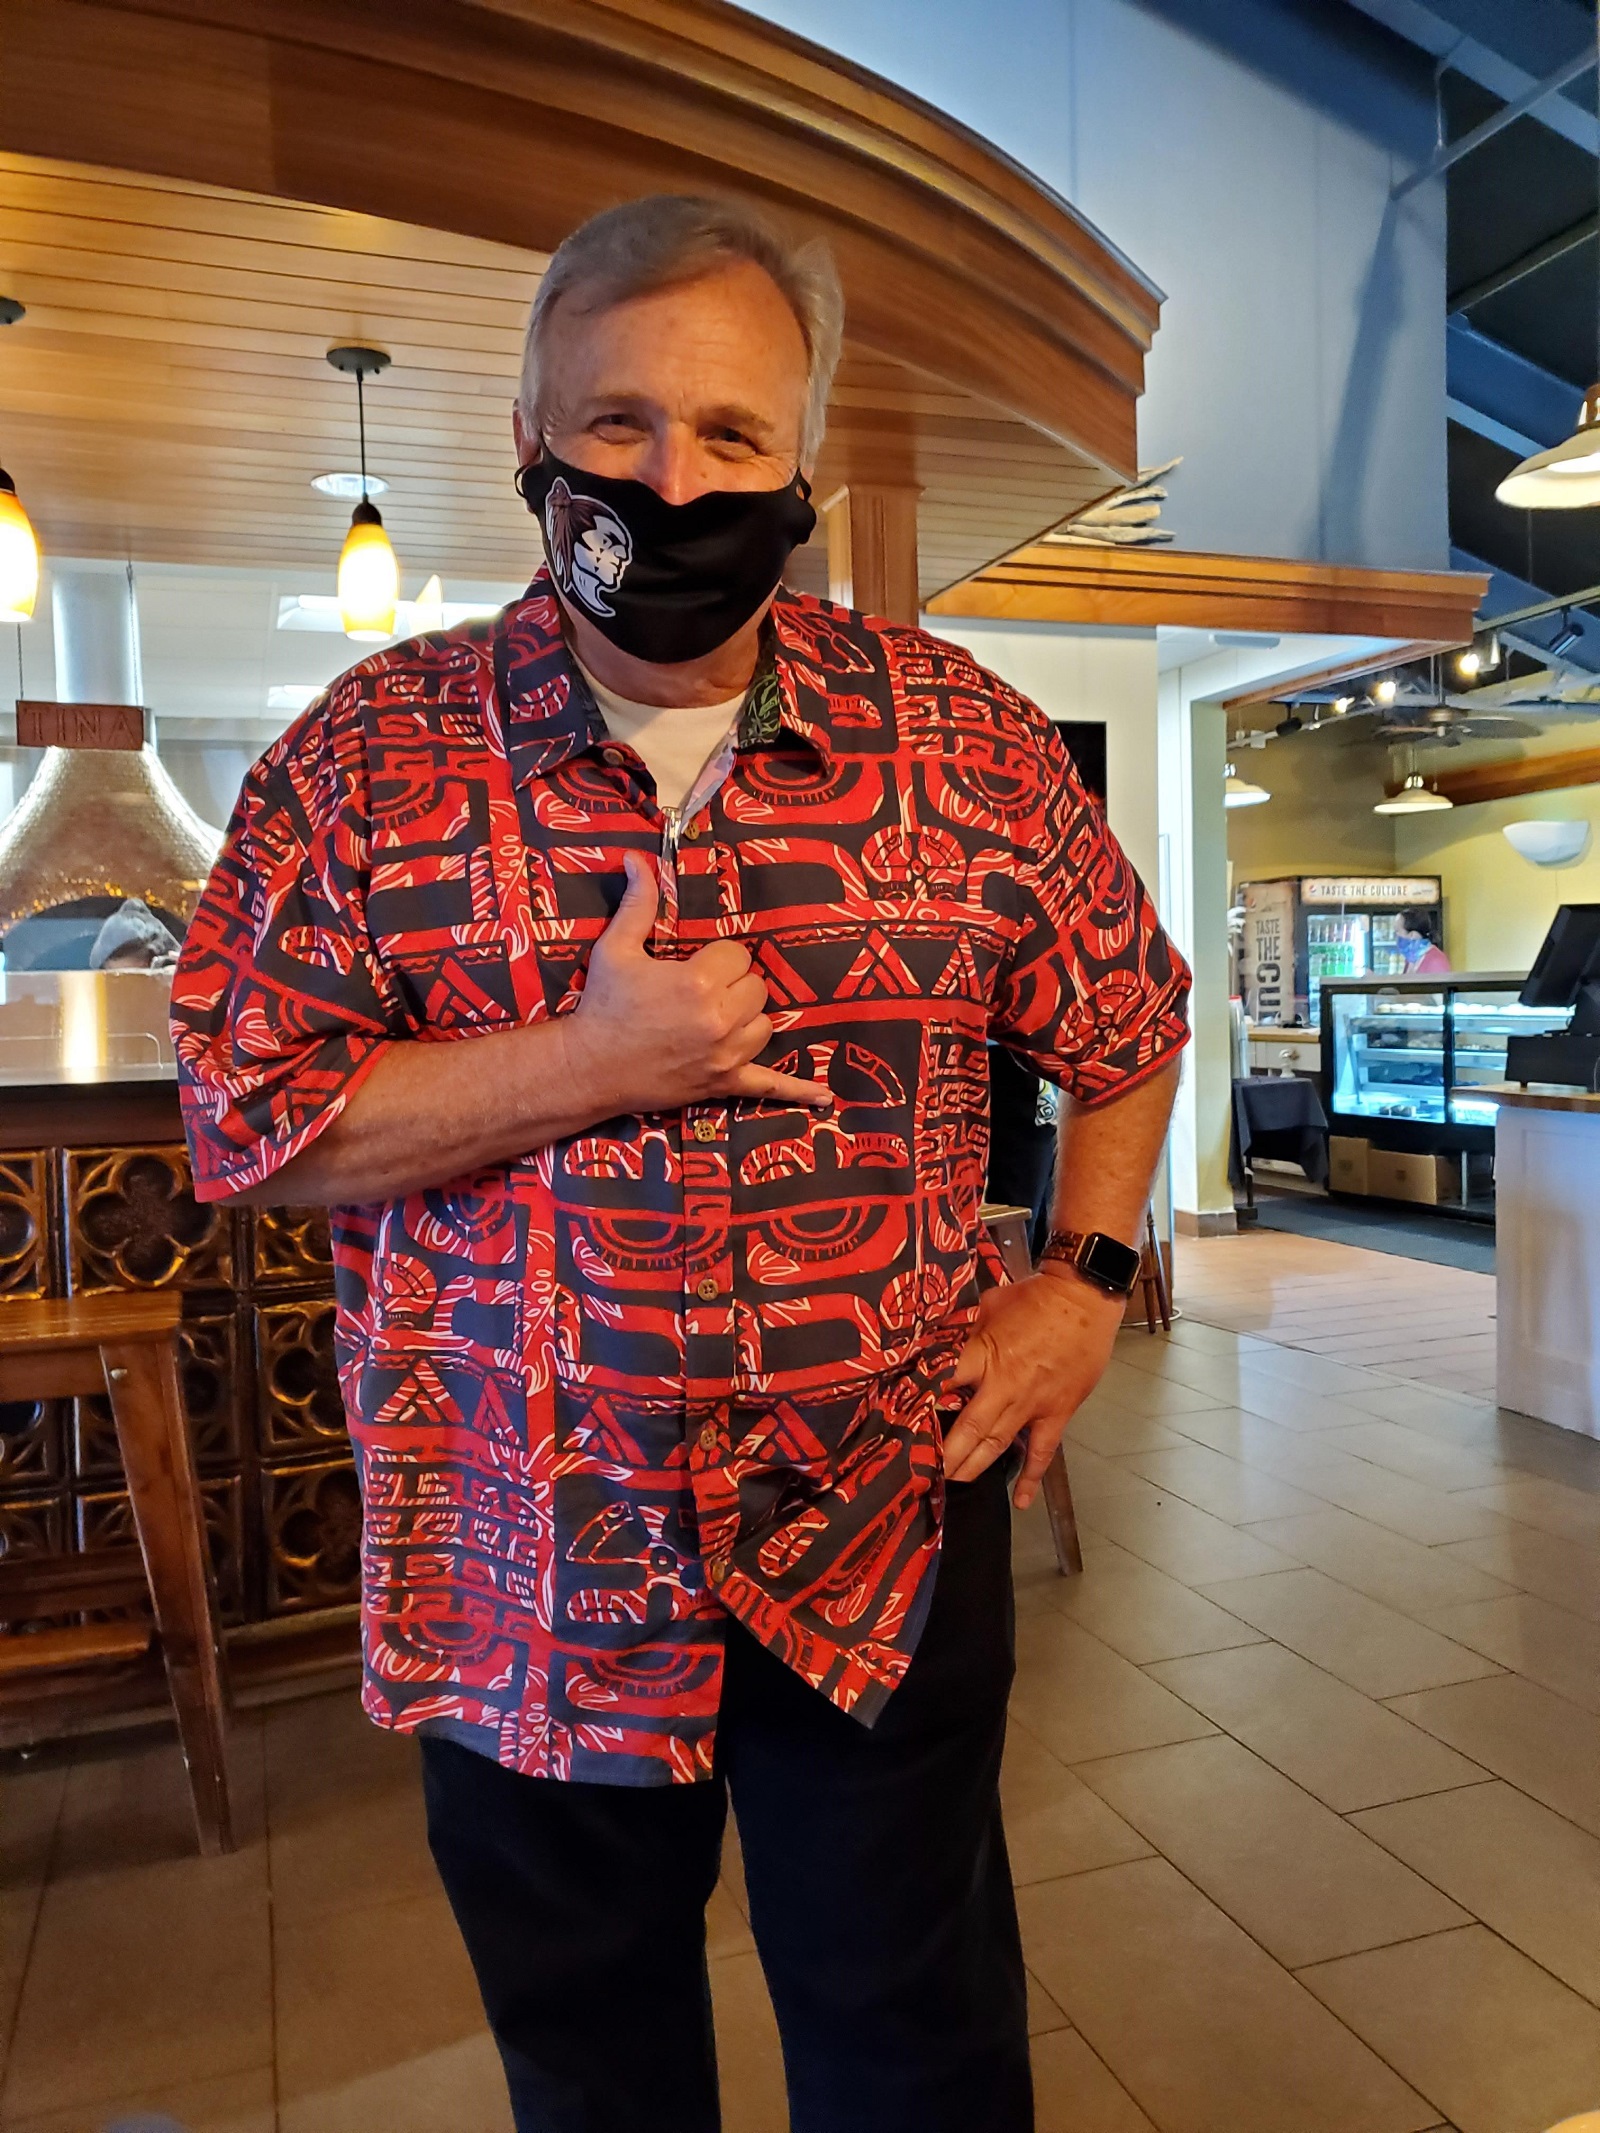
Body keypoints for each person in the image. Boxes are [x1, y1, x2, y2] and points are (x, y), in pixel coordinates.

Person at [171, 194, 1190, 2133]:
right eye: (618, 422)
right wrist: (588, 1063)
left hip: (881, 1514)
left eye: (731, 433)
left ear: (802, 456)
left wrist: (1083, 1281)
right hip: (518, 1530)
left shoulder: (962, 740)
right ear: (528, 439)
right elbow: (245, 1118)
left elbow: (1129, 1021)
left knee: (916, 2046)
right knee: (594, 2067)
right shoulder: (366, 755)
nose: (673, 478)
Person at [1395, 905, 1450, 976]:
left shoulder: (1437, 961)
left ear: (1412, 935)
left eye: (1397, 931)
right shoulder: (1410, 958)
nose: (1395, 935)